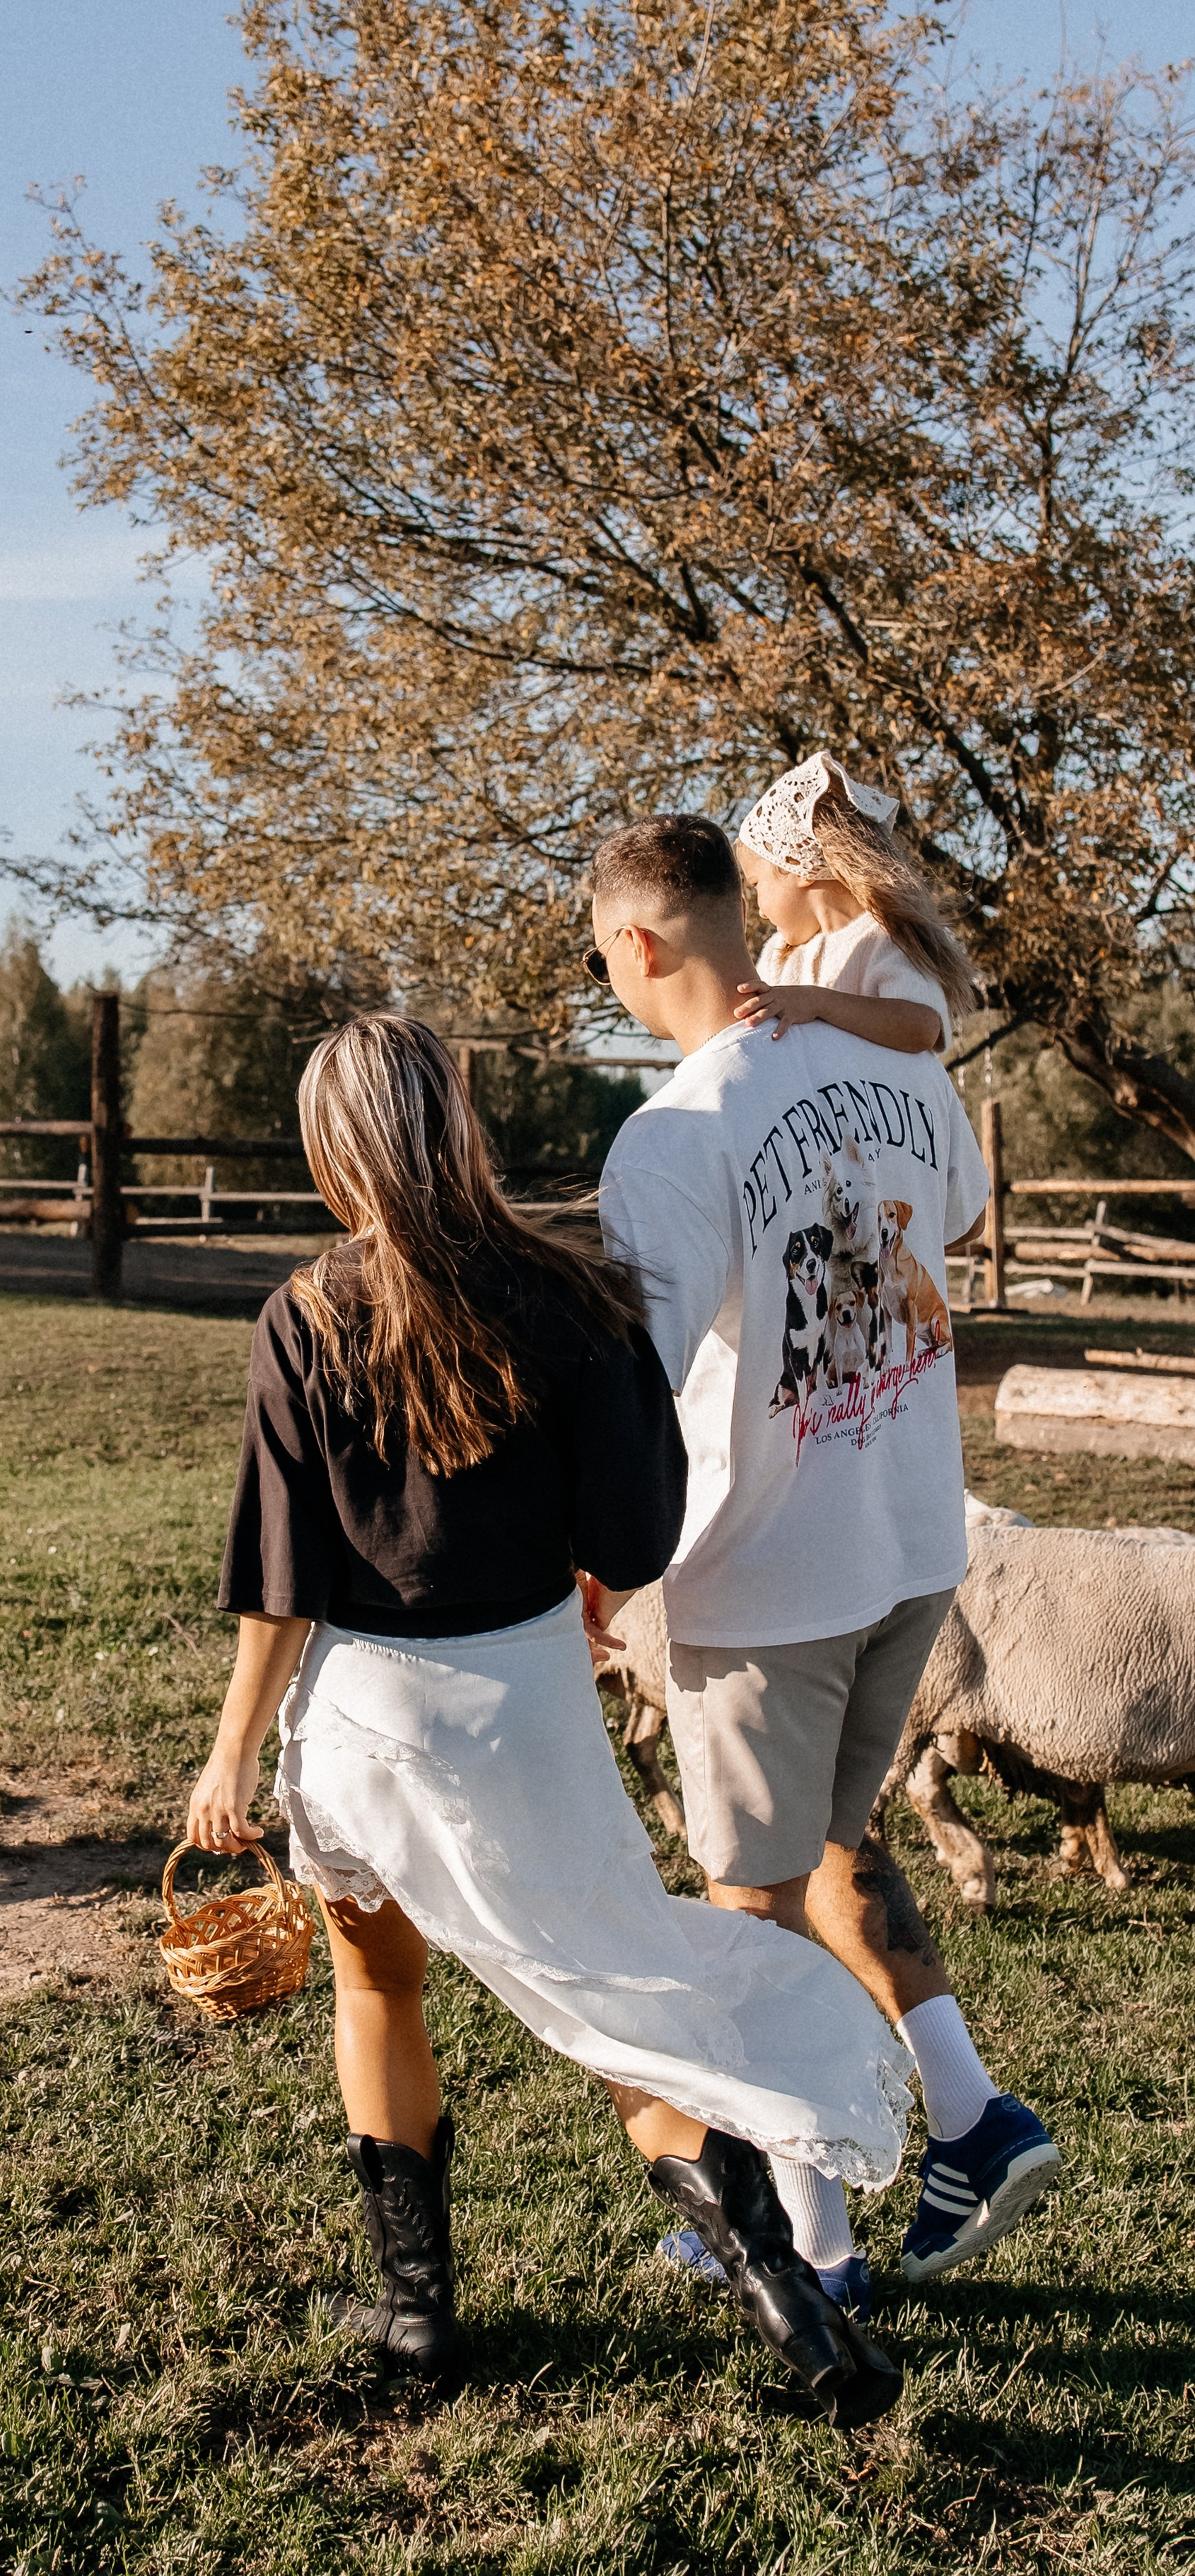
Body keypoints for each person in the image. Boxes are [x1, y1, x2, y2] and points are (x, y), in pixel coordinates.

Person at [187, 1013, 909, 2426]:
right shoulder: (579, 1297)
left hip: (368, 1716)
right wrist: (569, 1590)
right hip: (528, 1698)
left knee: (376, 1988)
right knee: (617, 2005)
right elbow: (635, 1537)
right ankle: (796, 2310)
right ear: (459, 1124)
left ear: (335, 1150)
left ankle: (416, 2324)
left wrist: (226, 1754)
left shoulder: (307, 1315)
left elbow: (281, 1576)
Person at [589, 812, 1060, 2312]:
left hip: (775, 1580)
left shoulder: (676, 1133)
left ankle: (819, 2252)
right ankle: (974, 2120)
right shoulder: (905, 1071)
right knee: (829, 1861)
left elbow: (635, 1388)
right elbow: (957, 1216)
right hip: (914, 1544)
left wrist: (583, 1562)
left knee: (750, 1917)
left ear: (638, 947)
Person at [728, 749, 981, 1058]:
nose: (760, 909)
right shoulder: (778, 955)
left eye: (756, 885)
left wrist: (818, 1002)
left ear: (797, 866)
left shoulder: (884, 938)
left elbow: (922, 1026)